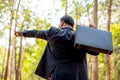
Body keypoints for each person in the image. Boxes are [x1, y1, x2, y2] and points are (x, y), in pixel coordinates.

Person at [15, 15, 99, 80]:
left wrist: (21, 33)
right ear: (72, 26)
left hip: (58, 75)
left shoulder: (53, 33)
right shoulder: (81, 36)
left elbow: (36, 33)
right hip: (78, 76)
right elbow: (95, 52)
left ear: (62, 23)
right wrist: (92, 34)